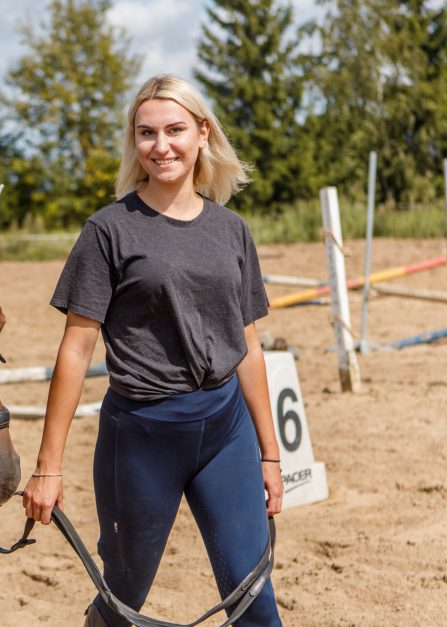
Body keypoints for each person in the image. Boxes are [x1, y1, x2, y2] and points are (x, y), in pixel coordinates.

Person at [22, 74, 284, 627]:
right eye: (147, 133)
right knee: (123, 599)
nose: (161, 145)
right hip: (140, 438)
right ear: (134, 142)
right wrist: (48, 467)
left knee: (255, 600)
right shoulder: (108, 231)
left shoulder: (232, 230)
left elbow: (250, 348)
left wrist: (270, 453)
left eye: (175, 130)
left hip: (225, 430)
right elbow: (76, 349)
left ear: (202, 133)